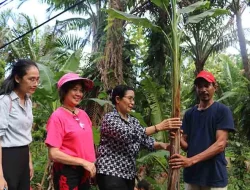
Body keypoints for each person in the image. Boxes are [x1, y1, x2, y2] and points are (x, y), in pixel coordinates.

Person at [96, 85, 182, 190]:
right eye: (129, 98)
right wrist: (158, 127)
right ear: (118, 99)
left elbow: (144, 140)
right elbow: (128, 135)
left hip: (128, 175)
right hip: (110, 173)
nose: (132, 102)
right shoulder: (110, 119)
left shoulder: (133, 121)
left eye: (133, 99)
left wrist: (163, 145)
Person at [169, 70, 235, 190]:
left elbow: (220, 144)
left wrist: (191, 161)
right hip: (193, 176)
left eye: (206, 85)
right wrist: (176, 135)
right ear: (196, 88)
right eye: (199, 86)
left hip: (214, 176)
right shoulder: (189, 114)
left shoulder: (222, 111)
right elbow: (186, 146)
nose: (203, 89)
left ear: (215, 87)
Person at [45, 72, 96, 190]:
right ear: (65, 91)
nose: (79, 94)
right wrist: (82, 162)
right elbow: (54, 153)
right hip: (67, 171)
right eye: (75, 89)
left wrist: (90, 164)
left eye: (81, 90)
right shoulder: (57, 117)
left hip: (85, 171)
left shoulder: (83, 115)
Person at [0, 59, 40, 190]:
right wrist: (0, 175)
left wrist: (28, 161)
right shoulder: (5, 101)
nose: (35, 83)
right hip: (7, 157)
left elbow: (24, 134)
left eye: (37, 79)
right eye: (31, 79)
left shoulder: (28, 101)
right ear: (17, 78)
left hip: (23, 155)